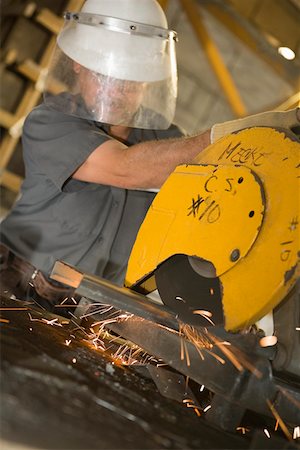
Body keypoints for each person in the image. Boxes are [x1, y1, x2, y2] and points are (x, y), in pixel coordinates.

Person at [0, 0, 299, 314]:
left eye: (130, 80)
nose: (117, 91)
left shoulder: (168, 142)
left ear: (149, 77)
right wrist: (224, 138)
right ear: (79, 64)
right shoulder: (50, 121)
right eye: (106, 76)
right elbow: (123, 168)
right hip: (15, 283)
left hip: (90, 311)